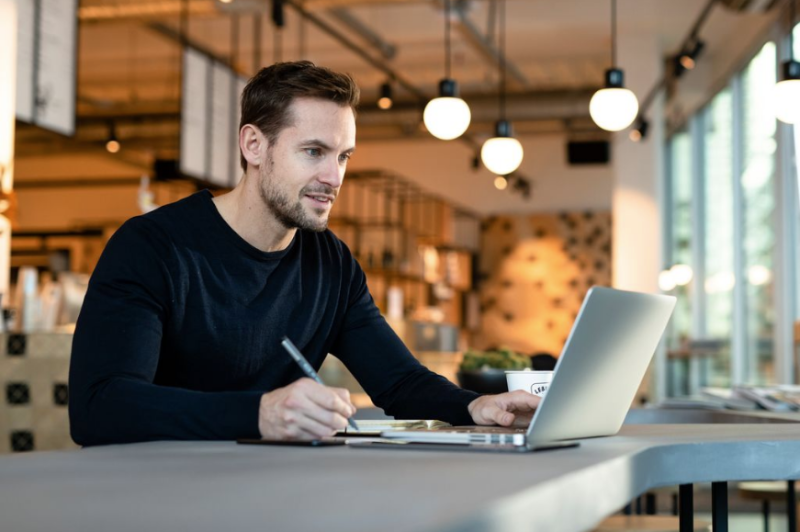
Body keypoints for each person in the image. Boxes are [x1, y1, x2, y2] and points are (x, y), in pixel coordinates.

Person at [68, 61, 540, 446]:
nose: (335, 178)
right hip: (157, 497)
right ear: (254, 145)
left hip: (277, 495)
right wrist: (260, 413)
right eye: (314, 151)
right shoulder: (152, 247)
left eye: (343, 156)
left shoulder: (331, 263)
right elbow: (100, 407)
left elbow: (399, 382)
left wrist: (473, 407)